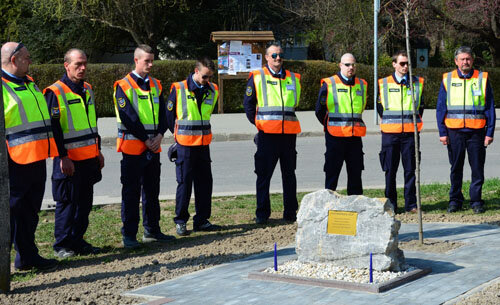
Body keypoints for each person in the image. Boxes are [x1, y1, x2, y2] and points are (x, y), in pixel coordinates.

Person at [1, 42, 59, 270]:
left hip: (36, 158)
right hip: (14, 162)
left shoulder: (29, 81)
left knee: (30, 212)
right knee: (11, 215)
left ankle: (27, 257)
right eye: (27, 57)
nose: (30, 61)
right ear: (14, 60)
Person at [43, 49, 104, 258]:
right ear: (66, 65)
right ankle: (62, 245)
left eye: (85, 63)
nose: (83, 68)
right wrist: (62, 156)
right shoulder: (55, 92)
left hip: (88, 158)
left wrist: (99, 151)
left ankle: (77, 240)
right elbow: (53, 129)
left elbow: (92, 124)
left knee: (85, 204)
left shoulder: (87, 89)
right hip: (69, 160)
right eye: (78, 64)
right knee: (67, 203)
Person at [113, 44, 175, 248]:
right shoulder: (123, 85)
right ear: (136, 60)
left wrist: (159, 134)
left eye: (152, 60)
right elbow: (128, 116)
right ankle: (129, 235)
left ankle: (152, 230)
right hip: (133, 149)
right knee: (131, 194)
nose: (150, 64)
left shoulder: (156, 84)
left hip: (152, 147)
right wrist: (146, 139)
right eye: (146, 60)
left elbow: (164, 114)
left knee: (152, 192)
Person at [243, 44, 301, 224]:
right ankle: (262, 214)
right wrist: (259, 124)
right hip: (267, 135)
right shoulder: (257, 76)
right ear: (266, 57)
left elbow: (294, 104)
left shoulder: (293, 78)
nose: (277, 58)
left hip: (288, 135)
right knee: (263, 175)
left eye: (280, 55)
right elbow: (248, 104)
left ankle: (290, 213)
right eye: (274, 55)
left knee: (289, 175)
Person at [436, 46, 495, 214]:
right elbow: (441, 108)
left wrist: (490, 132)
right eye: (462, 59)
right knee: (456, 168)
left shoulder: (482, 78)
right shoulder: (447, 79)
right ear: (456, 61)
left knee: (477, 168)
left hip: (477, 132)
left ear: (472, 60)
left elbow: (490, 107)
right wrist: (442, 132)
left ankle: (476, 201)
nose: (465, 62)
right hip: (454, 131)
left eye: (468, 59)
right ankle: (455, 200)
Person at [166, 58, 221, 236]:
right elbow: (168, 116)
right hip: (185, 146)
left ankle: (202, 220)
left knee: (205, 184)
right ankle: (181, 221)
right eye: (205, 76)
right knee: (184, 184)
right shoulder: (179, 88)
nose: (208, 80)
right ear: (196, 71)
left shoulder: (213, 89)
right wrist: (177, 136)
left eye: (210, 77)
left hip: (204, 145)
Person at [377, 50, 424, 213]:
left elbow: (421, 106)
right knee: (390, 170)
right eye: (402, 63)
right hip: (390, 134)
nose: (405, 66)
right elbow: (379, 107)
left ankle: (411, 204)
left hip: (411, 134)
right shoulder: (383, 83)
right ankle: (391, 204)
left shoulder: (417, 83)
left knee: (410, 170)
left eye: (408, 63)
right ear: (394, 64)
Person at [315, 53, 367, 195]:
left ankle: (355, 205)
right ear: (340, 65)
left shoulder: (362, 84)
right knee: (332, 172)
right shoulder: (329, 83)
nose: (351, 67)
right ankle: (329, 206)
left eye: (353, 64)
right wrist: (329, 126)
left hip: (355, 137)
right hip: (335, 137)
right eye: (347, 65)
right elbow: (319, 110)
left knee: (356, 173)